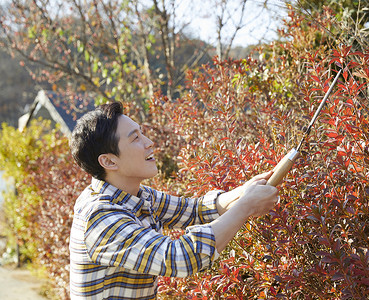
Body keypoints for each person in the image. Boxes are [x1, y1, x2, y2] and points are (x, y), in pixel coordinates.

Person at [69, 101, 279, 299]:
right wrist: (246, 206)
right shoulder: (100, 216)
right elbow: (179, 257)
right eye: (135, 138)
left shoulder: (137, 196)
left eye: (142, 133)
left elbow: (195, 211)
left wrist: (245, 190)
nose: (149, 143)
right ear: (109, 161)